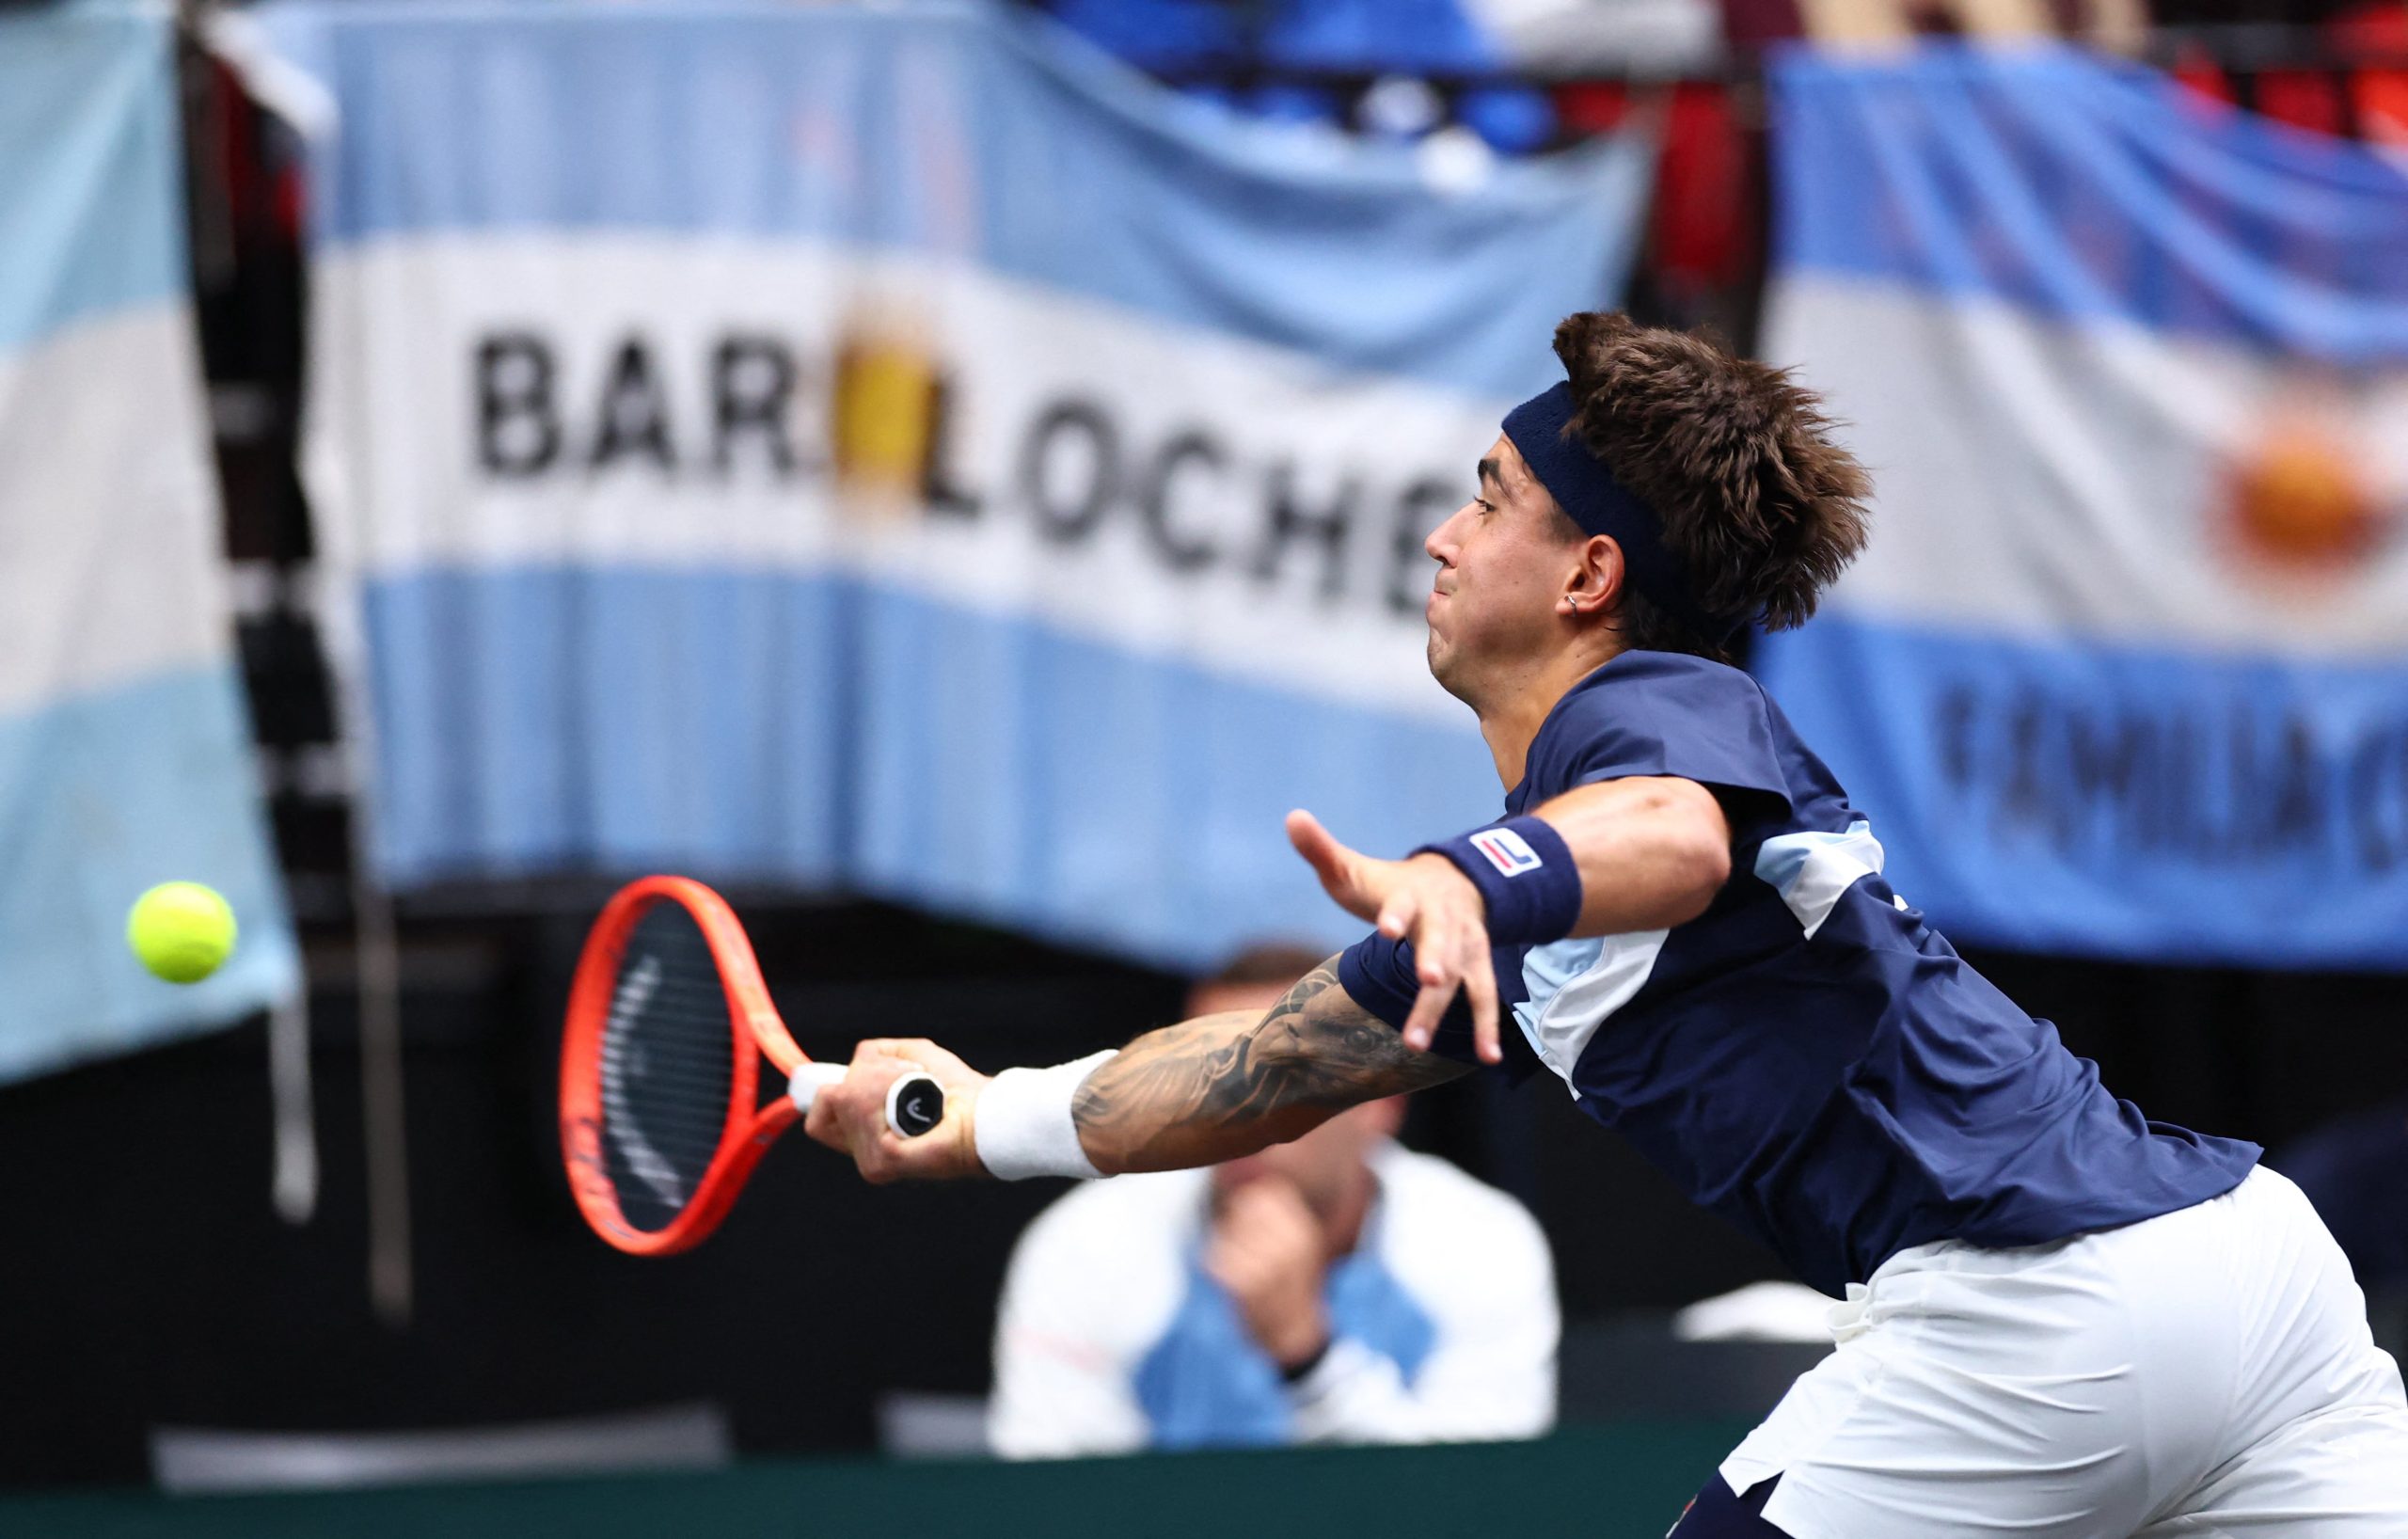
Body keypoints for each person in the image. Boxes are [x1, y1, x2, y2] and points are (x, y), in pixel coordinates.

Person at [809, 312, 2408, 1535]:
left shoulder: (1656, 722)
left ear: (1587, 571)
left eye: (1486, 498)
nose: (1442, 534)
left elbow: (1669, 839)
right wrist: (973, 1115)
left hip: (2039, 1309)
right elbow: (1263, 1071)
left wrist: (1471, 873)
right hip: (2256, 1275)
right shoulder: (1534, 872)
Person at [987, 943, 1557, 1457]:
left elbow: (1483, 1503)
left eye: (1290, 1082)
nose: (1239, 1118)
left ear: (1383, 1103)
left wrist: (1310, 1359)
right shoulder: (1081, 1246)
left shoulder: (1485, 1242)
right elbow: (1052, 1501)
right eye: (1205, 1082)